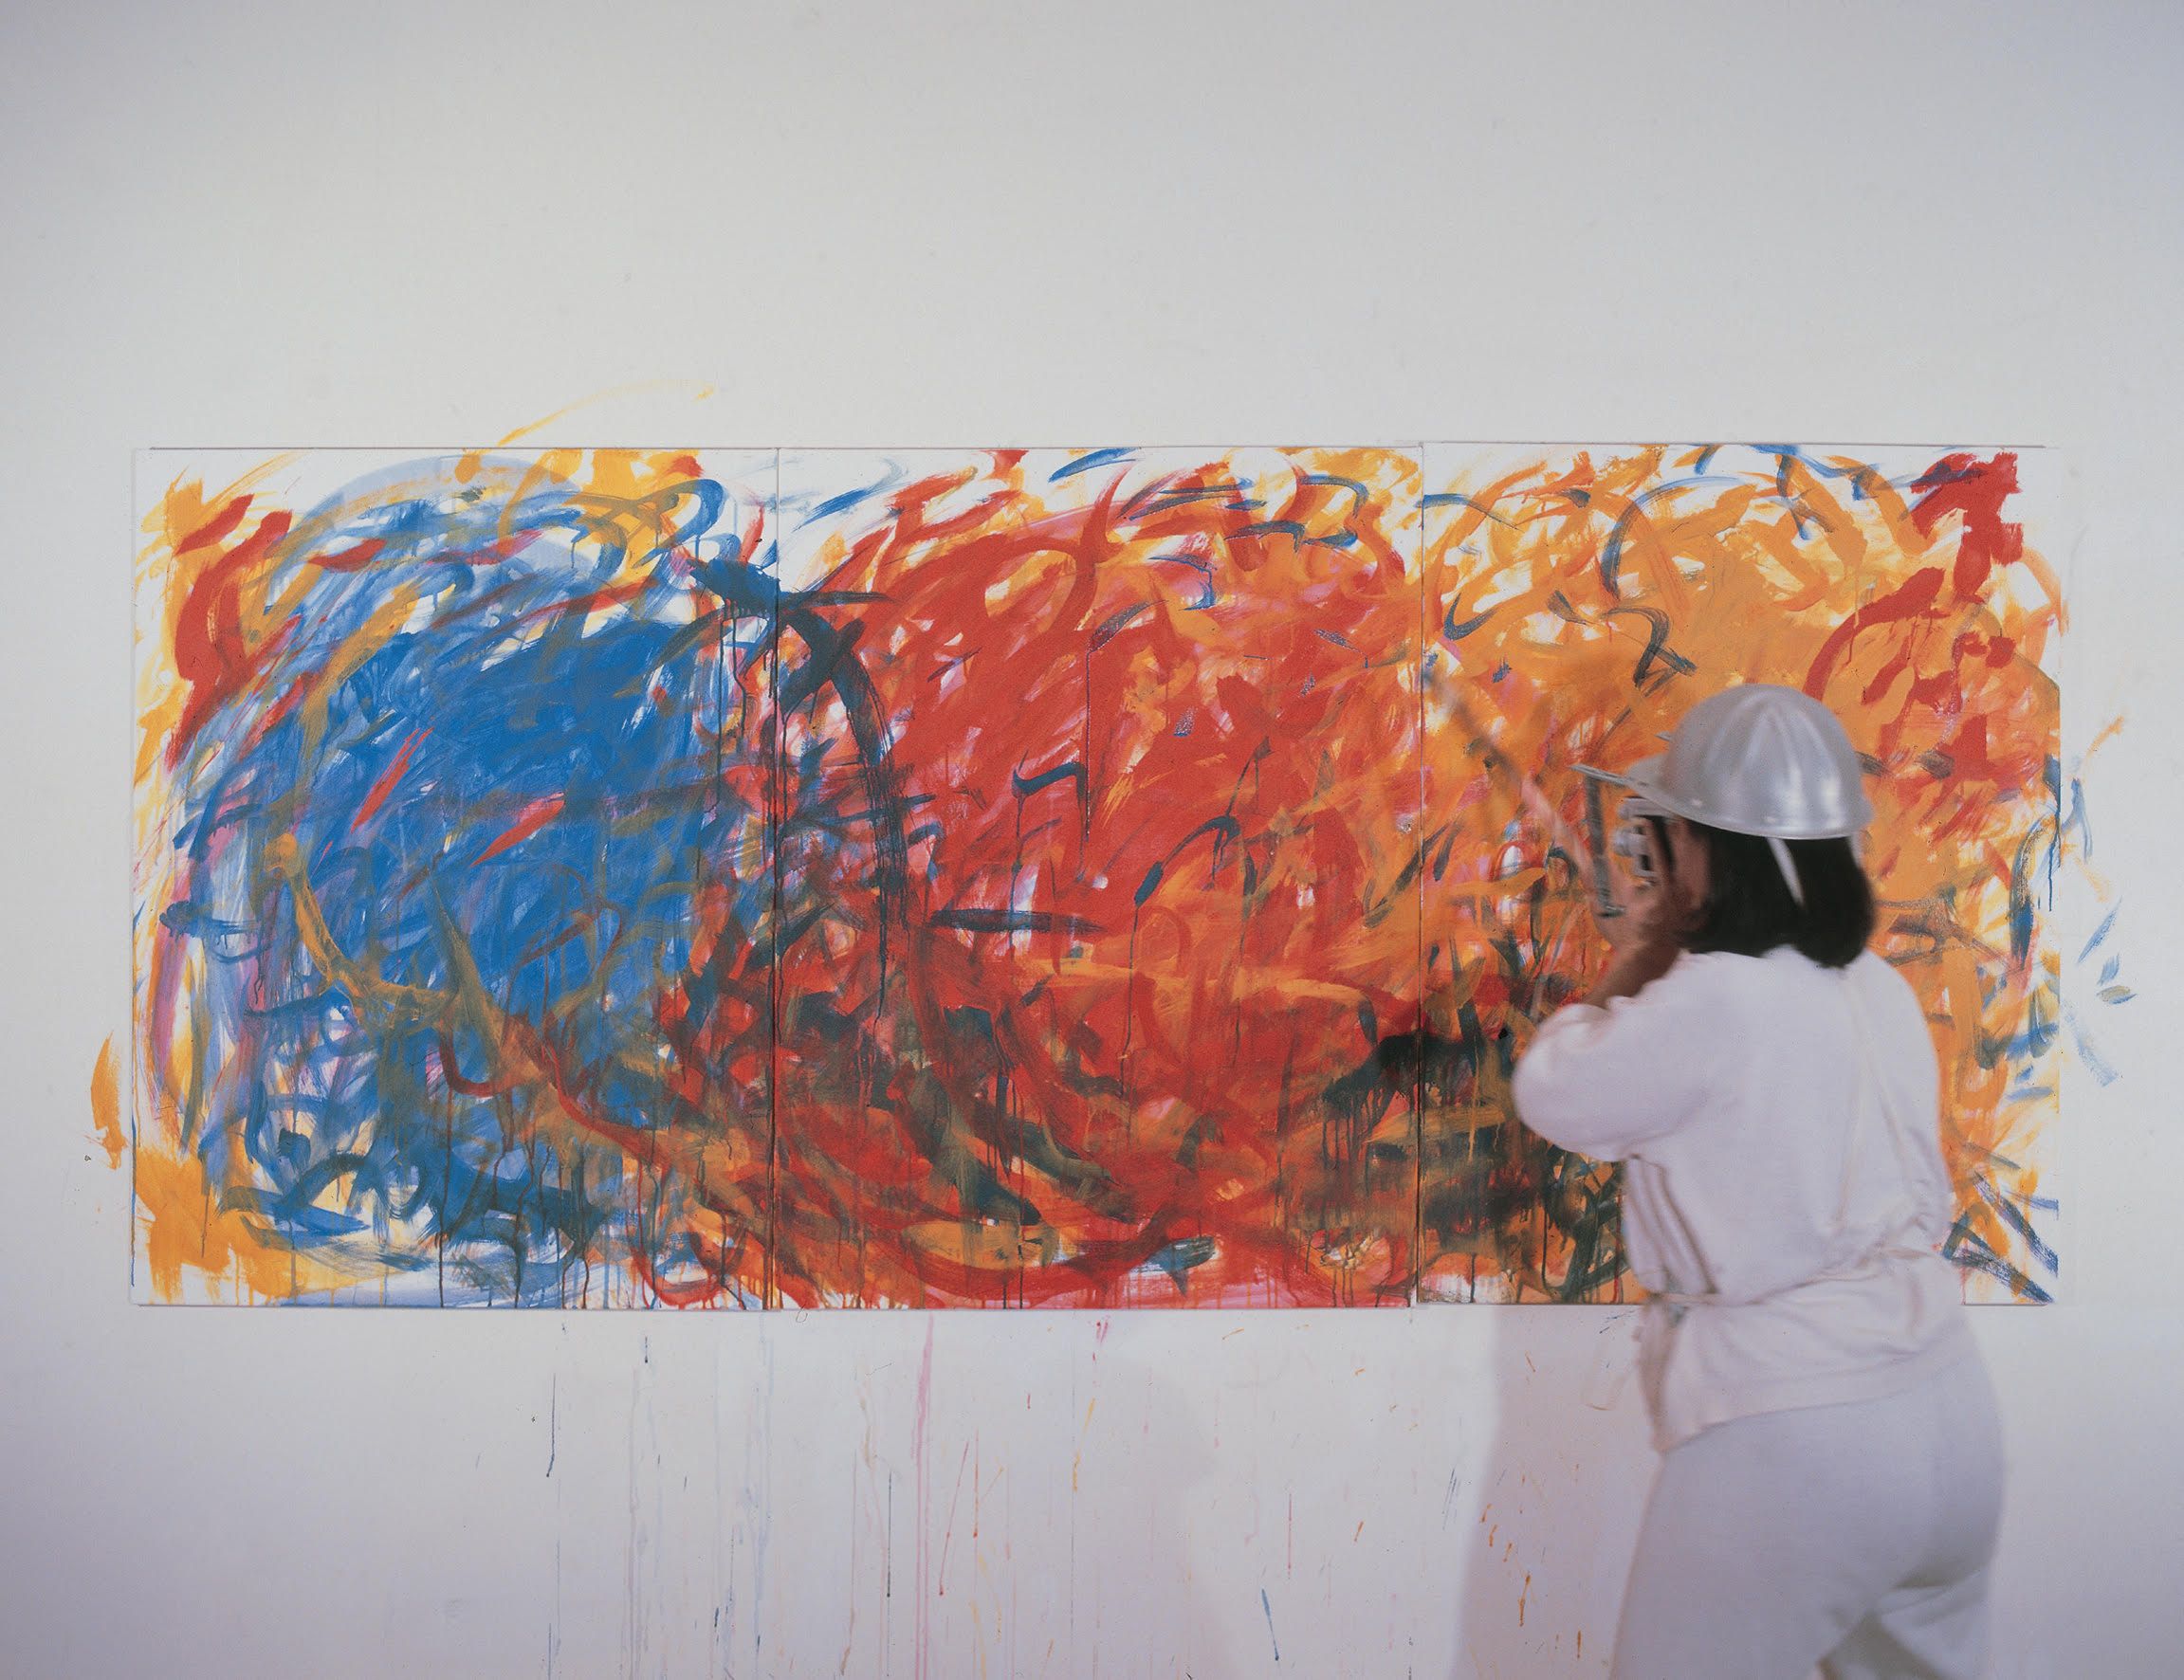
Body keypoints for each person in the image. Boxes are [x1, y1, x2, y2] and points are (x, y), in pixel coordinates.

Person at [1512, 684, 2005, 1680]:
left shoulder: (1712, 999)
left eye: (1671, 834)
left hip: (1797, 1434)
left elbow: (1550, 1088)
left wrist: (1643, 952)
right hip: (1949, 1414)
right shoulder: (1874, 985)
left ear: (1705, 848)